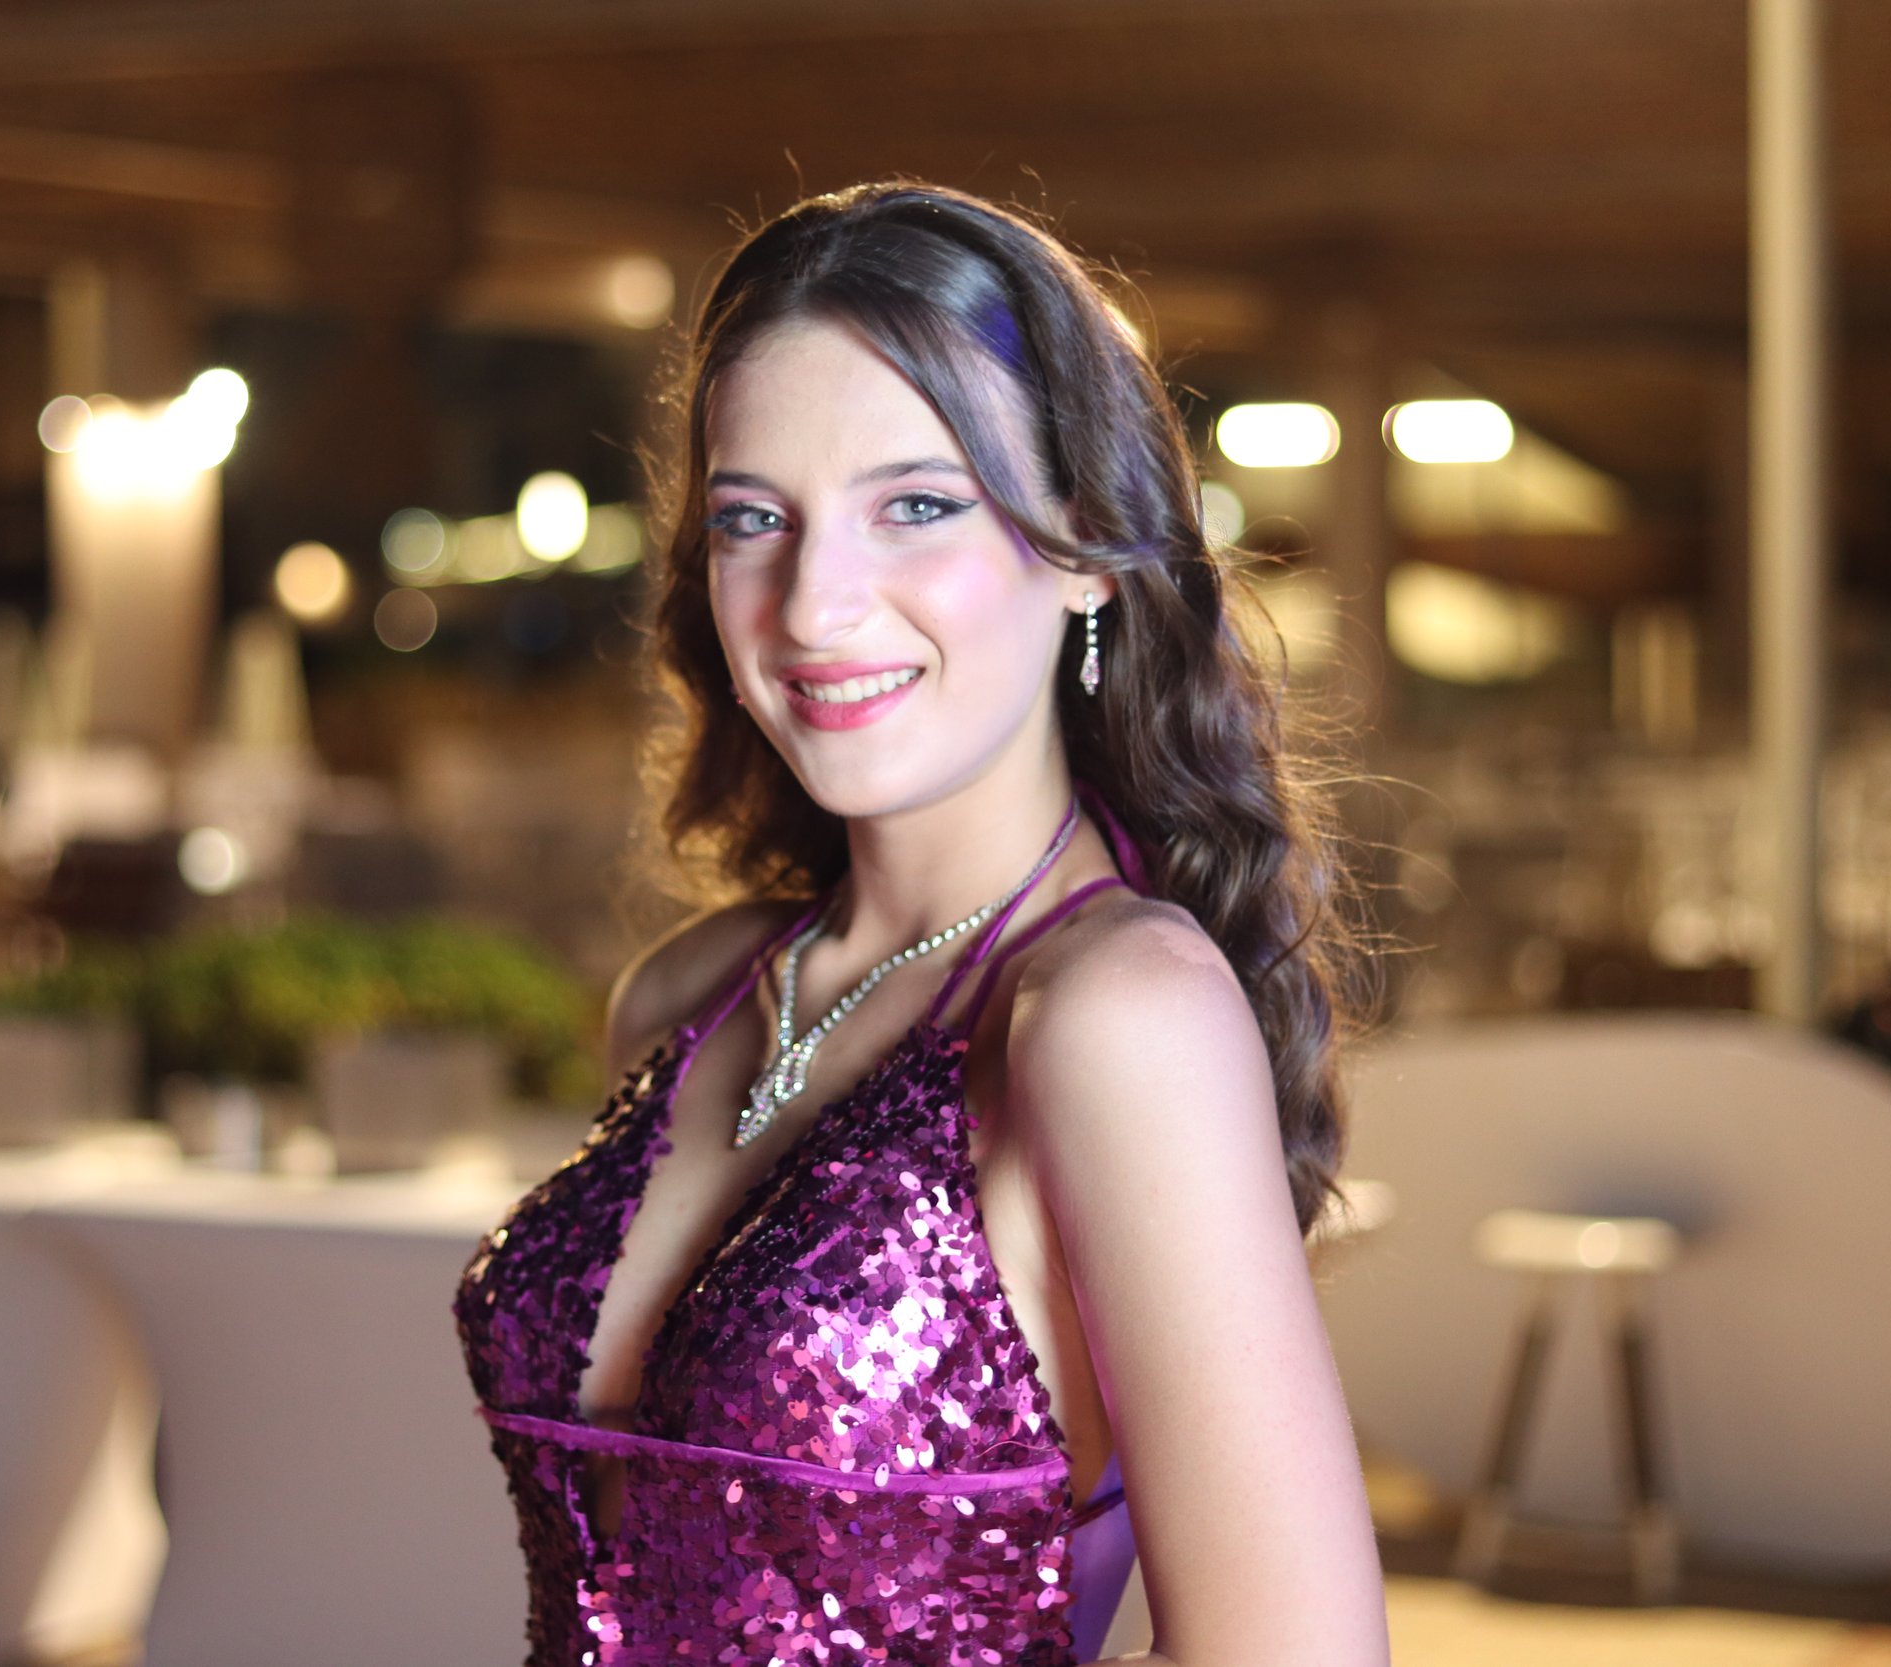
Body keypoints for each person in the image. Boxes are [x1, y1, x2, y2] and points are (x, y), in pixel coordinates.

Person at [454, 179, 1388, 1666]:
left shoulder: (1113, 1013)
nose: (817, 606)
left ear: (1084, 544)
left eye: (918, 506)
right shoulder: (685, 998)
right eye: (758, 519)